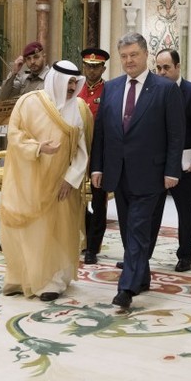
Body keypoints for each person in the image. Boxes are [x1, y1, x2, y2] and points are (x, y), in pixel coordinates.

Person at [91, 33, 185, 310]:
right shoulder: (111, 88)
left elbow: (175, 134)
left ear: (146, 55)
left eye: (134, 55)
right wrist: (97, 166)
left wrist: (172, 171)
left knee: (138, 228)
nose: (129, 60)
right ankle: (141, 276)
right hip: (117, 172)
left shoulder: (166, 89)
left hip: (151, 174)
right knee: (127, 229)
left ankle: (126, 288)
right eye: (124, 56)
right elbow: (101, 132)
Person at [0, 60, 92, 302]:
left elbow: (82, 151)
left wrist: (71, 180)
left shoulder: (79, 109)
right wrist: (38, 148)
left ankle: (53, 281)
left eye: (75, 82)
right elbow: (15, 135)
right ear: (56, 80)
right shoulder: (28, 102)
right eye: (68, 82)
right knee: (31, 232)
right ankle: (22, 278)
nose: (72, 87)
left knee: (59, 233)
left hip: (62, 185)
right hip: (30, 181)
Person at [149, 48, 191, 272]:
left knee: (185, 211)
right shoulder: (152, 92)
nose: (161, 72)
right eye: (158, 68)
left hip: (186, 165)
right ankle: (141, 255)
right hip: (157, 163)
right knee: (151, 212)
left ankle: (186, 255)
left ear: (177, 67)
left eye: (166, 67)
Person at [78, 46, 110, 265]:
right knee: (74, 199)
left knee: (99, 203)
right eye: (88, 66)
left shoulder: (109, 91)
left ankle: (93, 247)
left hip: (99, 154)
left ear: (103, 68)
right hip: (77, 153)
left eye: (96, 67)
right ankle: (81, 236)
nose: (92, 71)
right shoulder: (75, 89)